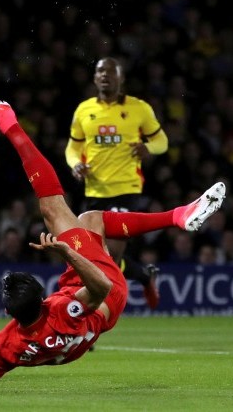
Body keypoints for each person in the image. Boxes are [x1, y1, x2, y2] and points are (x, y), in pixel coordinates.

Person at [0, 101, 225, 392]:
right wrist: (67, 252)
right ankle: (10, 123)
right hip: (103, 293)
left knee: (91, 219)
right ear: (42, 300)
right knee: (53, 209)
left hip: (91, 317)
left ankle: (176, 216)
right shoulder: (58, 311)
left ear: (7, 313)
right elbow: (100, 286)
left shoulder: (5, 345)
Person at [65, 57, 169, 308]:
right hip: (94, 191)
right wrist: (75, 164)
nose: (105, 75)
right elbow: (72, 148)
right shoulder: (84, 110)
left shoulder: (139, 108)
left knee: (111, 254)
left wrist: (147, 147)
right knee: (93, 257)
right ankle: (144, 276)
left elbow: (162, 141)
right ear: (94, 77)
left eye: (111, 72)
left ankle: (91, 318)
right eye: (100, 71)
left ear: (121, 78)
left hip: (125, 189)